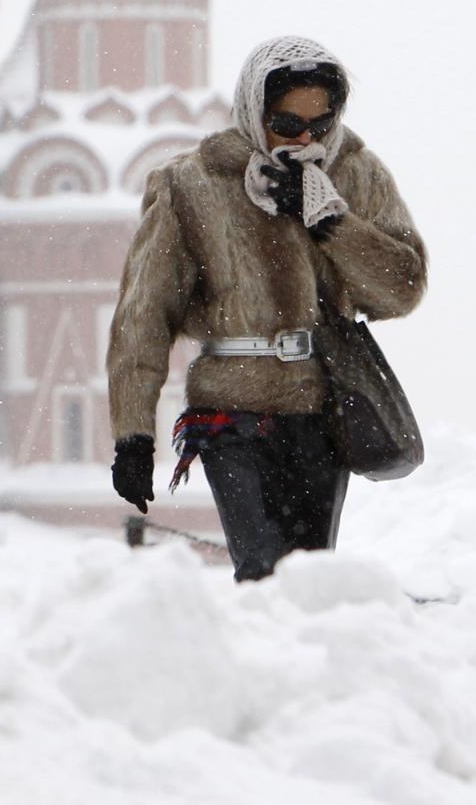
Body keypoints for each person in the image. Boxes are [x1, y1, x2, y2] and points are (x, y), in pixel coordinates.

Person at [106, 36, 427, 581]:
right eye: (286, 122)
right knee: (259, 569)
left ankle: (297, 665)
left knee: (306, 576)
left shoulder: (356, 174)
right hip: (230, 411)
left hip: (323, 406)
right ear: (254, 110)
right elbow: (144, 314)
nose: (304, 139)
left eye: (320, 126)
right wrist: (133, 435)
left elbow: (401, 290)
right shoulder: (192, 183)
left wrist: (331, 223)